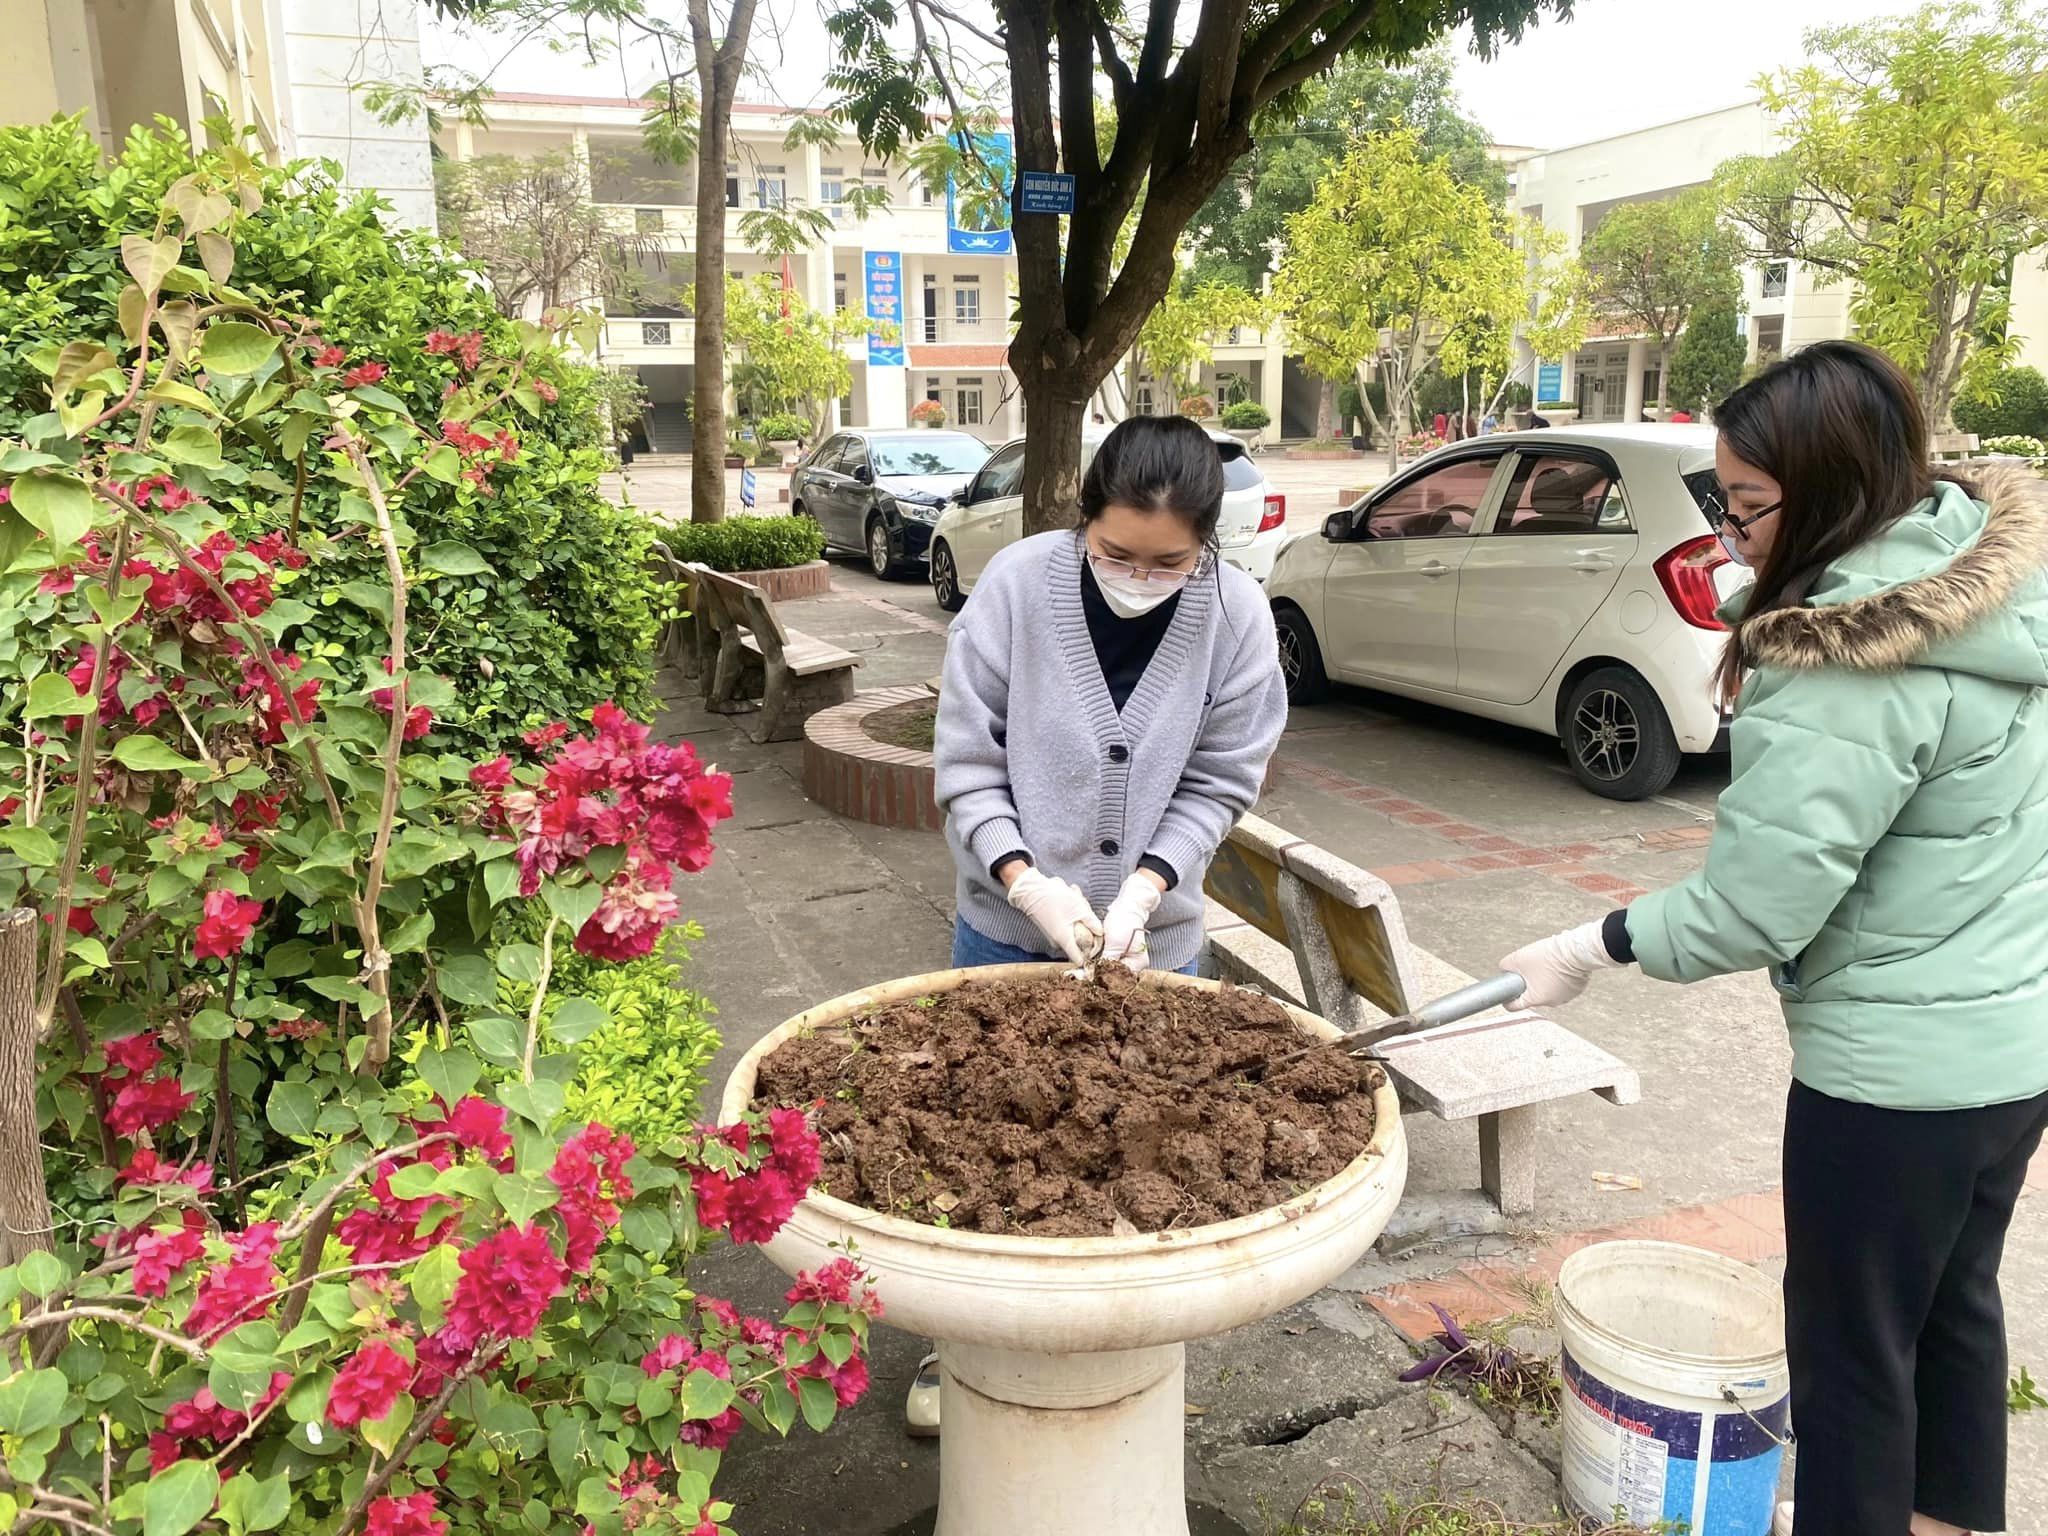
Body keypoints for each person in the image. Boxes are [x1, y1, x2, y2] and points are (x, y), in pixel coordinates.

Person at [1498, 340, 2048, 1536]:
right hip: (2013, 1052)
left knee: (1849, 1354)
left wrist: (1592, 944)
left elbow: (1756, 904)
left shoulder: (1844, 657)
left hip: (1892, 1078)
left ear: (1833, 491)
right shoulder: (1998, 590)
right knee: (1950, 1307)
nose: (1730, 531)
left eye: (1745, 505)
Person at [910, 413, 1290, 1433]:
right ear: (1083, 521)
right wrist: (1025, 881)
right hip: (1004, 931)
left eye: (1168, 563)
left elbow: (1220, 779)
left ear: (1206, 545)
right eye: (1116, 553)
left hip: (1153, 946)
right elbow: (967, 765)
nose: (1138, 577)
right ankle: (963, 1344)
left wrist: (1147, 887)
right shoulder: (1014, 589)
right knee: (985, 1150)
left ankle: (1121, 1344)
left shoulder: (1236, 616)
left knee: (1139, 1154)